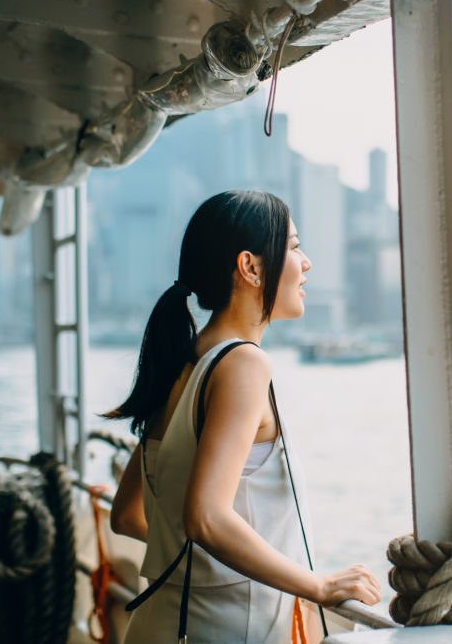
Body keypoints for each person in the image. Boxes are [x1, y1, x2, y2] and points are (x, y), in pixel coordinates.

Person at [104, 190, 381, 643]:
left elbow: (125, 515)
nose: (306, 262)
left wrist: (196, 567)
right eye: (293, 247)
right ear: (250, 267)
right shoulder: (242, 365)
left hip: (156, 627)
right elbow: (206, 517)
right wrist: (319, 585)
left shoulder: (180, 360)